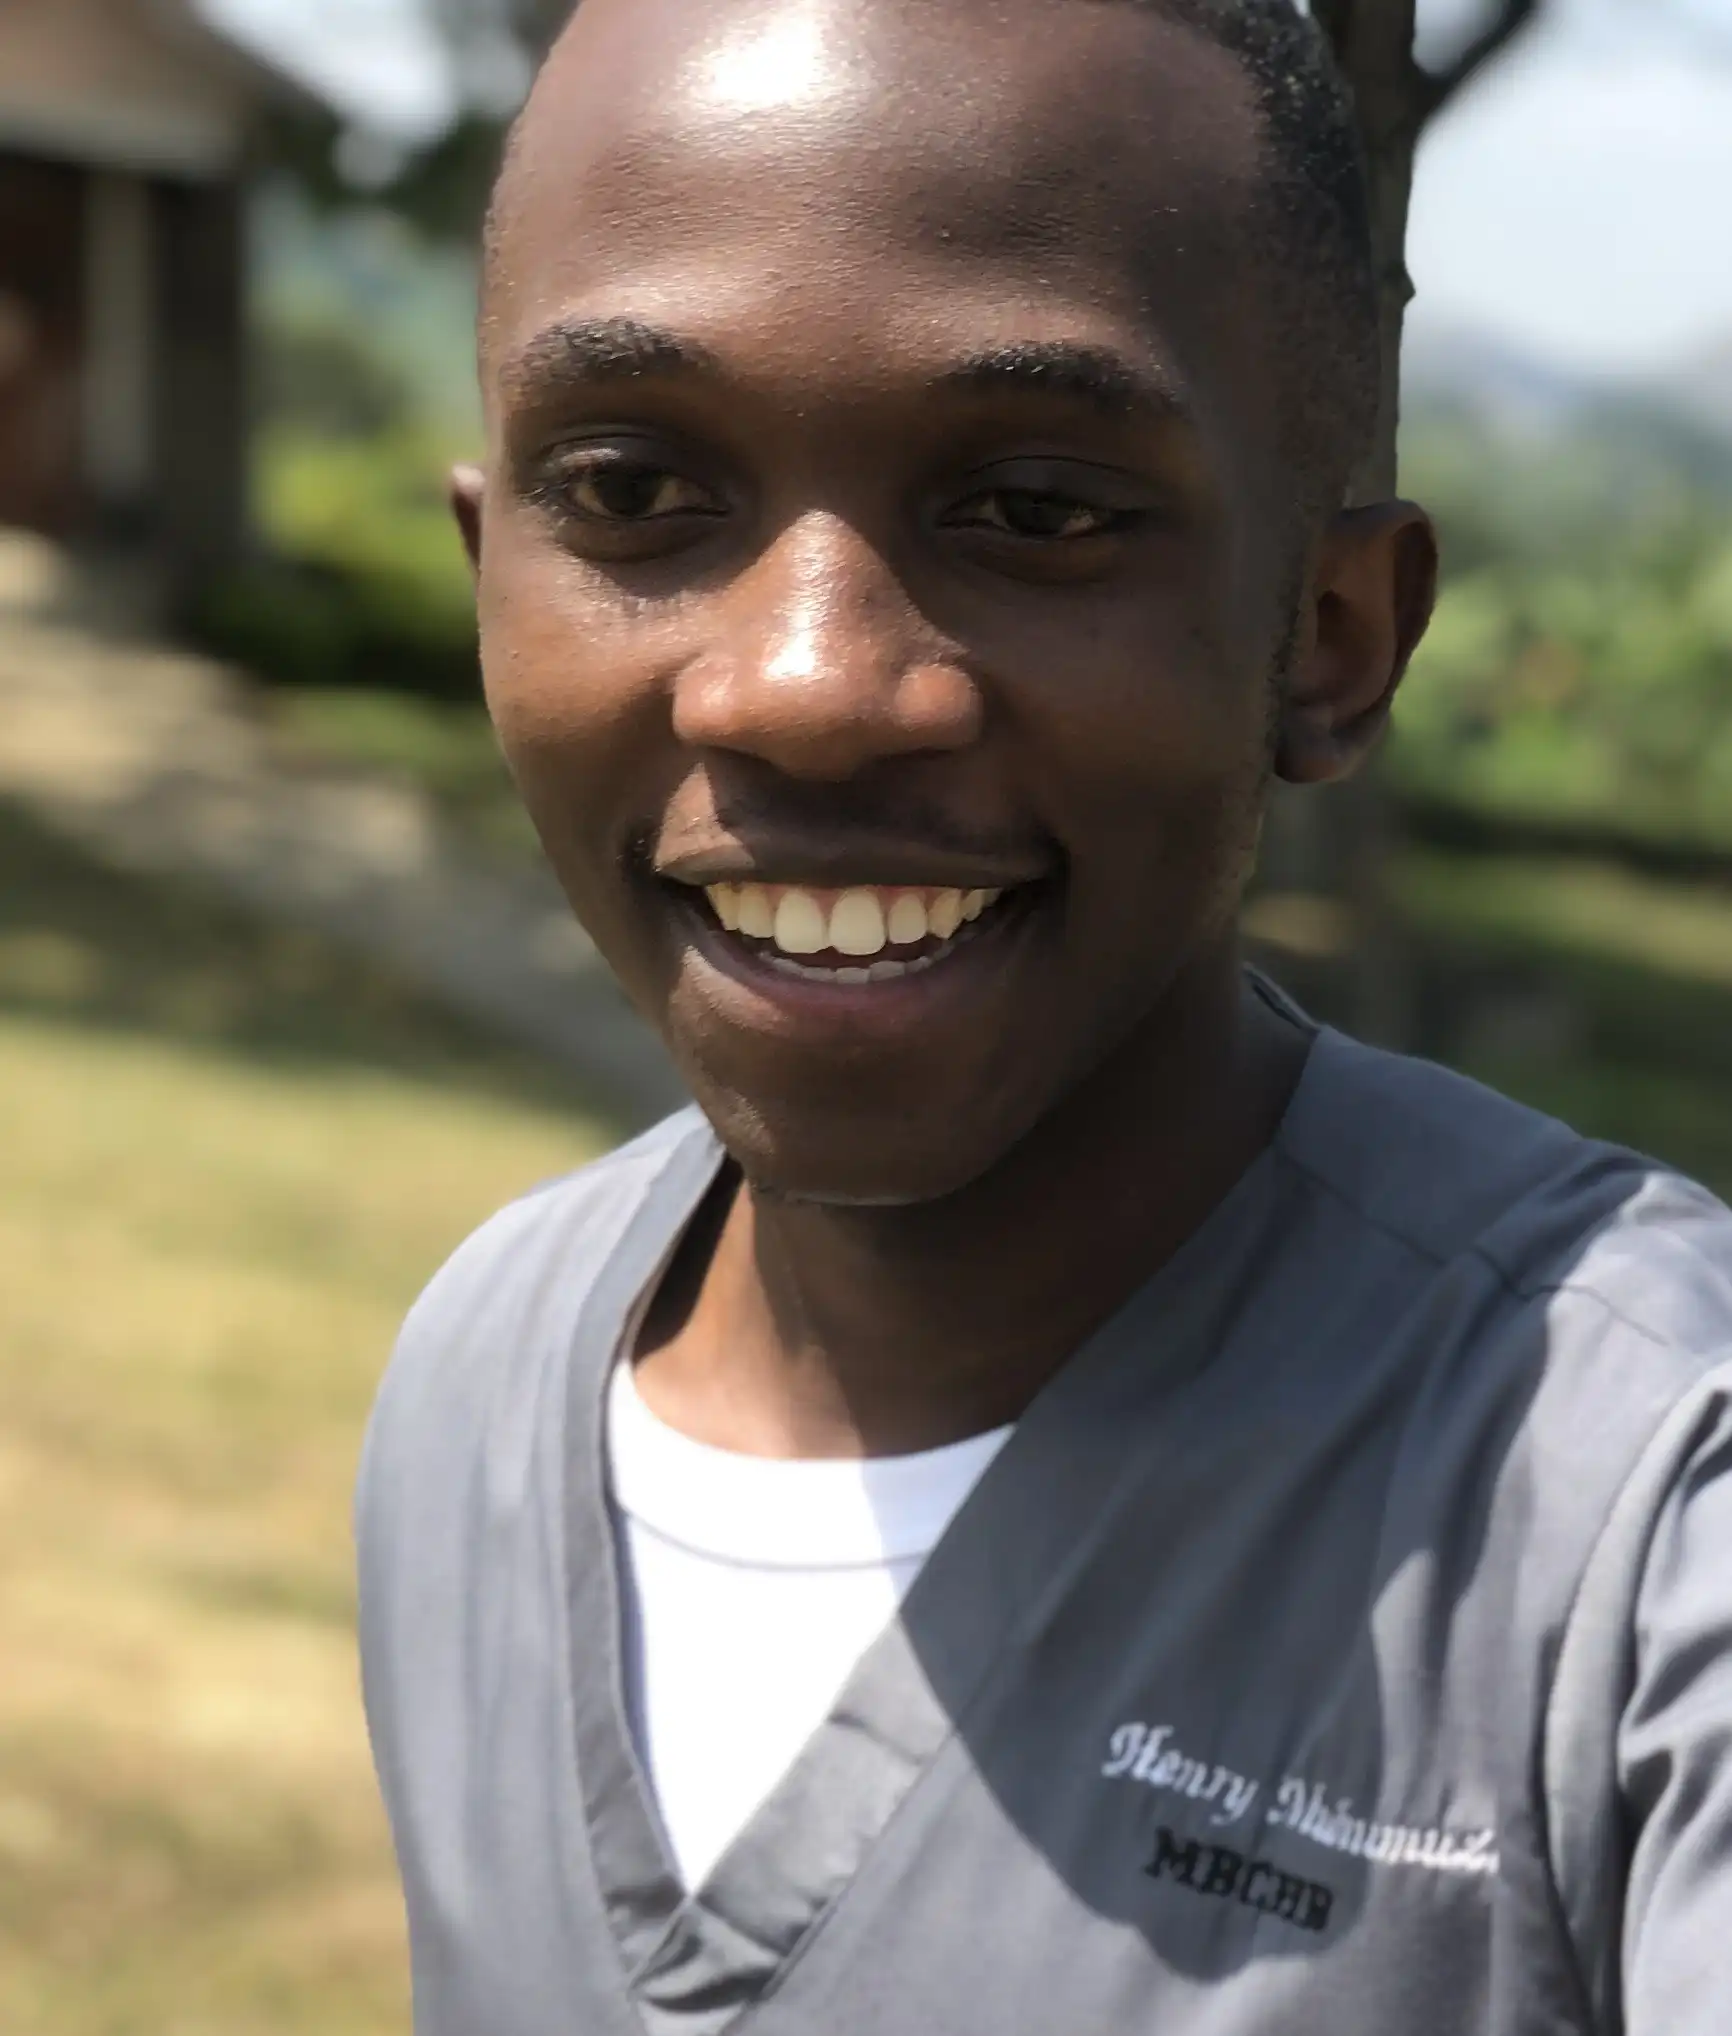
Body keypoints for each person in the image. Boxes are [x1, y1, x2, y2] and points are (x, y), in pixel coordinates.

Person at [354, 1, 1732, 2030]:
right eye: (634, 488)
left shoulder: (1639, 1521)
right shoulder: (481, 1373)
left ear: (1329, 639)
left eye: (1036, 511)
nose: (804, 687)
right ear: (493, 577)